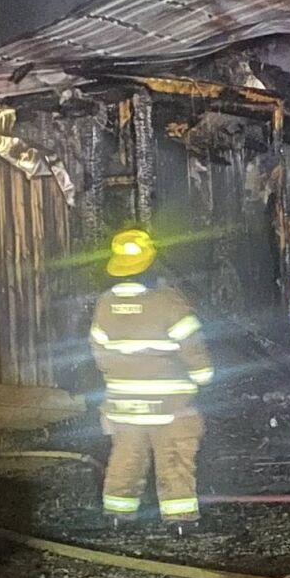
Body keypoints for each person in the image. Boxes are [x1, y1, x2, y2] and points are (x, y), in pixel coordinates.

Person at [89, 228, 212, 534]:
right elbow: (193, 347)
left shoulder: (104, 305)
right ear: (151, 264)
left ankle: (117, 516)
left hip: (123, 403)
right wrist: (203, 377)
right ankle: (180, 521)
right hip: (170, 405)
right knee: (174, 457)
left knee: (126, 458)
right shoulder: (169, 302)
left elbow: (99, 353)